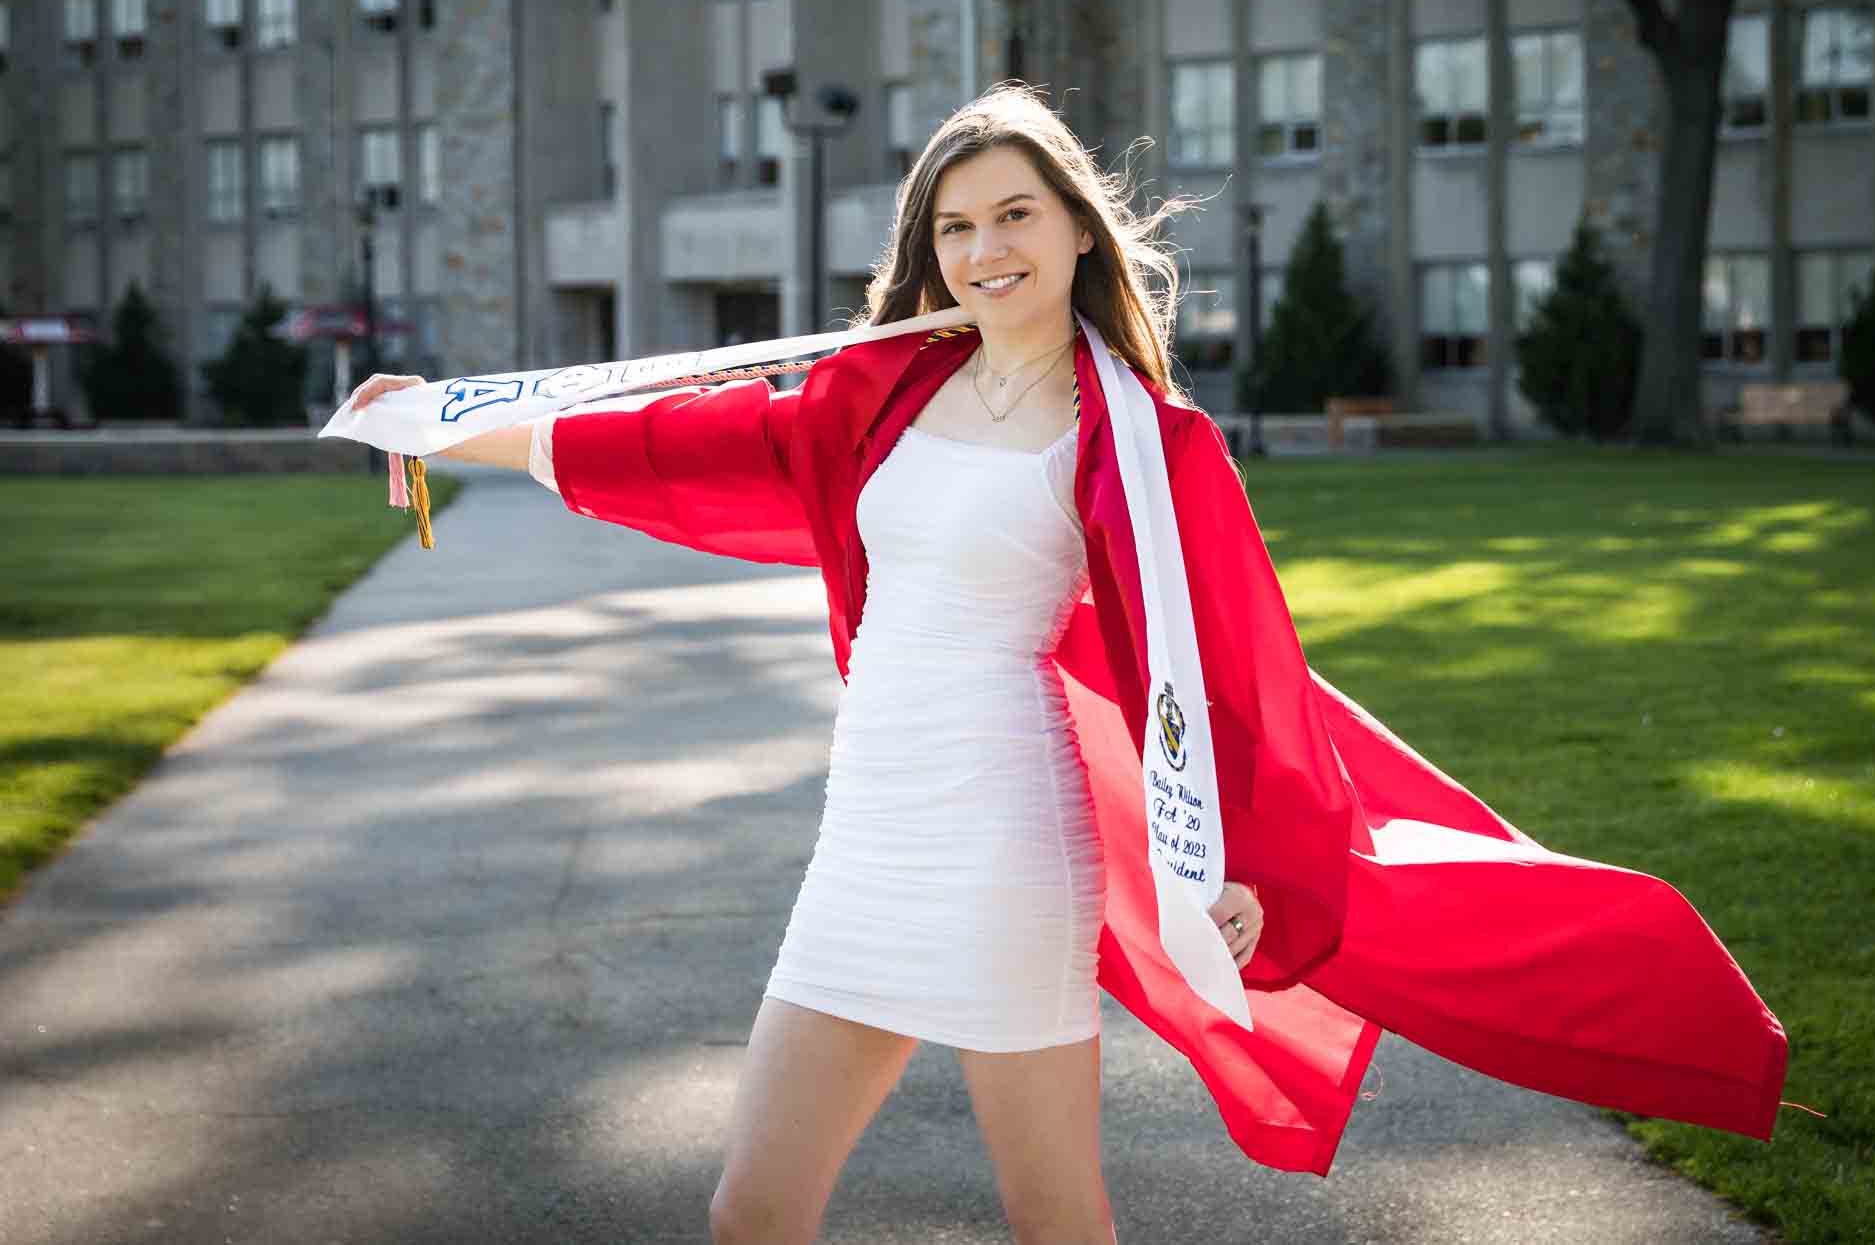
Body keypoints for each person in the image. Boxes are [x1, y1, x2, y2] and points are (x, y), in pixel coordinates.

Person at [351, 85, 1789, 1243]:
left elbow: (1237, 674)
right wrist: (439, 424)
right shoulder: (874, 390)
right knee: (752, 1209)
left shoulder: (1149, 449)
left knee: (1052, 1212)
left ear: (1081, 234)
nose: (986, 250)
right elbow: (668, 439)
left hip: (1005, 840)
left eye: (1017, 215)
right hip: (868, 834)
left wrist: (1245, 870)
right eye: (959, 225)